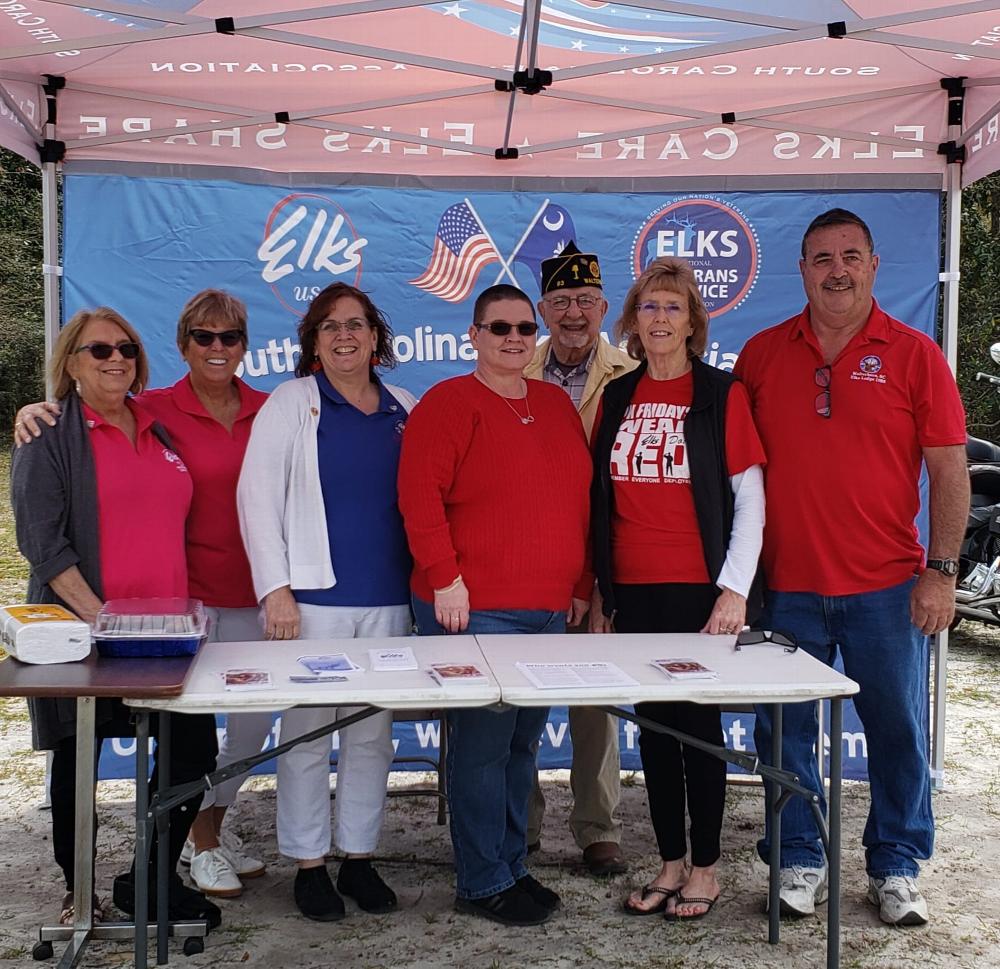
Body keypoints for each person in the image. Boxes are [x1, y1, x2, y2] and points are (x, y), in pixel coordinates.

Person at [734, 208, 969, 927]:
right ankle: (798, 857)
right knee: (784, 733)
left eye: (850, 256)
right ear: (802, 269)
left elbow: (949, 469)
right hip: (786, 589)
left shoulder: (915, 354)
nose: (836, 270)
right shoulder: (762, 355)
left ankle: (896, 865)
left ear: (872, 265)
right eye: (822, 258)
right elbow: (736, 475)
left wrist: (942, 571)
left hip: (887, 588)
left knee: (897, 731)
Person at [16, 290, 271, 900]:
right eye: (99, 350)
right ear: (71, 363)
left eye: (126, 349)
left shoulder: (156, 425)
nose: (116, 359)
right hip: (91, 632)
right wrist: (102, 619)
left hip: (167, 632)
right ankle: (79, 895)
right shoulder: (50, 434)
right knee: (78, 758)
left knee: (190, 752)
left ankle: (150, 878)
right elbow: (43, 545)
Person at [397, 284, 593, 927]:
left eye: (523, 328)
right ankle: (481, 880)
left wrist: (581, 582)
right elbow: (419, 496)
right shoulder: (448, 402)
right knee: (482, 748)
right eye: (499, 327)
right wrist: (445, 578)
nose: (513, 338)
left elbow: (577, 500)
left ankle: (511, 865)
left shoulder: (554, 404)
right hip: (474, 608)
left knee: (522, 746)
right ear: (474, 335)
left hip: (547, 610)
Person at [589, 257, 766, 920]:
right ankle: (669, 863)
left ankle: (707, 868)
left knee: (698, 729)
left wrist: (734, 588)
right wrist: (603, 592)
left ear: (693, 322)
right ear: (632, 321)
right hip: (634, 592)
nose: (660, 318)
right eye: (649, 306)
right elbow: (599, 500)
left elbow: (751, 498)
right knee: (655, 732)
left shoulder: (721, 394)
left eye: (674, 306)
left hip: (700, 590)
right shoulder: (617, 396)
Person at [237, 282, 417, 922]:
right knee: (308, 735)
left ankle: (359, 857)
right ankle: (309, 864)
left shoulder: (404, 406)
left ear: (375, 336)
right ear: (314, 339)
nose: (345, 335)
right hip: (312, 602)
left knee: (372, 736)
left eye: (356, 324)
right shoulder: (292, 402)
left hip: (389, 598)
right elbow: (256, 499)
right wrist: (275, 590)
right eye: (331, 326)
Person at [522, 241, 637, 877]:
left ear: (604, 307)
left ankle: (597, 826)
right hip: (529, 555)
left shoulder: (630, 373)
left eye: (586, 300)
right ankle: (520, 822)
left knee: (595, 698)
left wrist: (603, 584)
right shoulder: (514, 364)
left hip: (602, 553)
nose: (574, 313)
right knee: (517, 702)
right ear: (542, 309)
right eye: (561, 301)